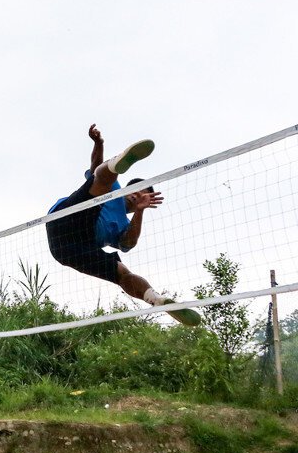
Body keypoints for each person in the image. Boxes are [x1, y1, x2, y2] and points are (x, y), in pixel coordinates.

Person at [46, 124, 201, 326]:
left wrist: (139, 210)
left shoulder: (125, 225)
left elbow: (129, 242)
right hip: (66, 219)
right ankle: (116, 162)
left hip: (71, 249)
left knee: (122, 273)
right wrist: (99, 144)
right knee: (100, 181)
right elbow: (95, 168)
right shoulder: (115, 188)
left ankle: (158, 299)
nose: (138, 194)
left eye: (145, 194)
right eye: (136, 189)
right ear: (128, 188)